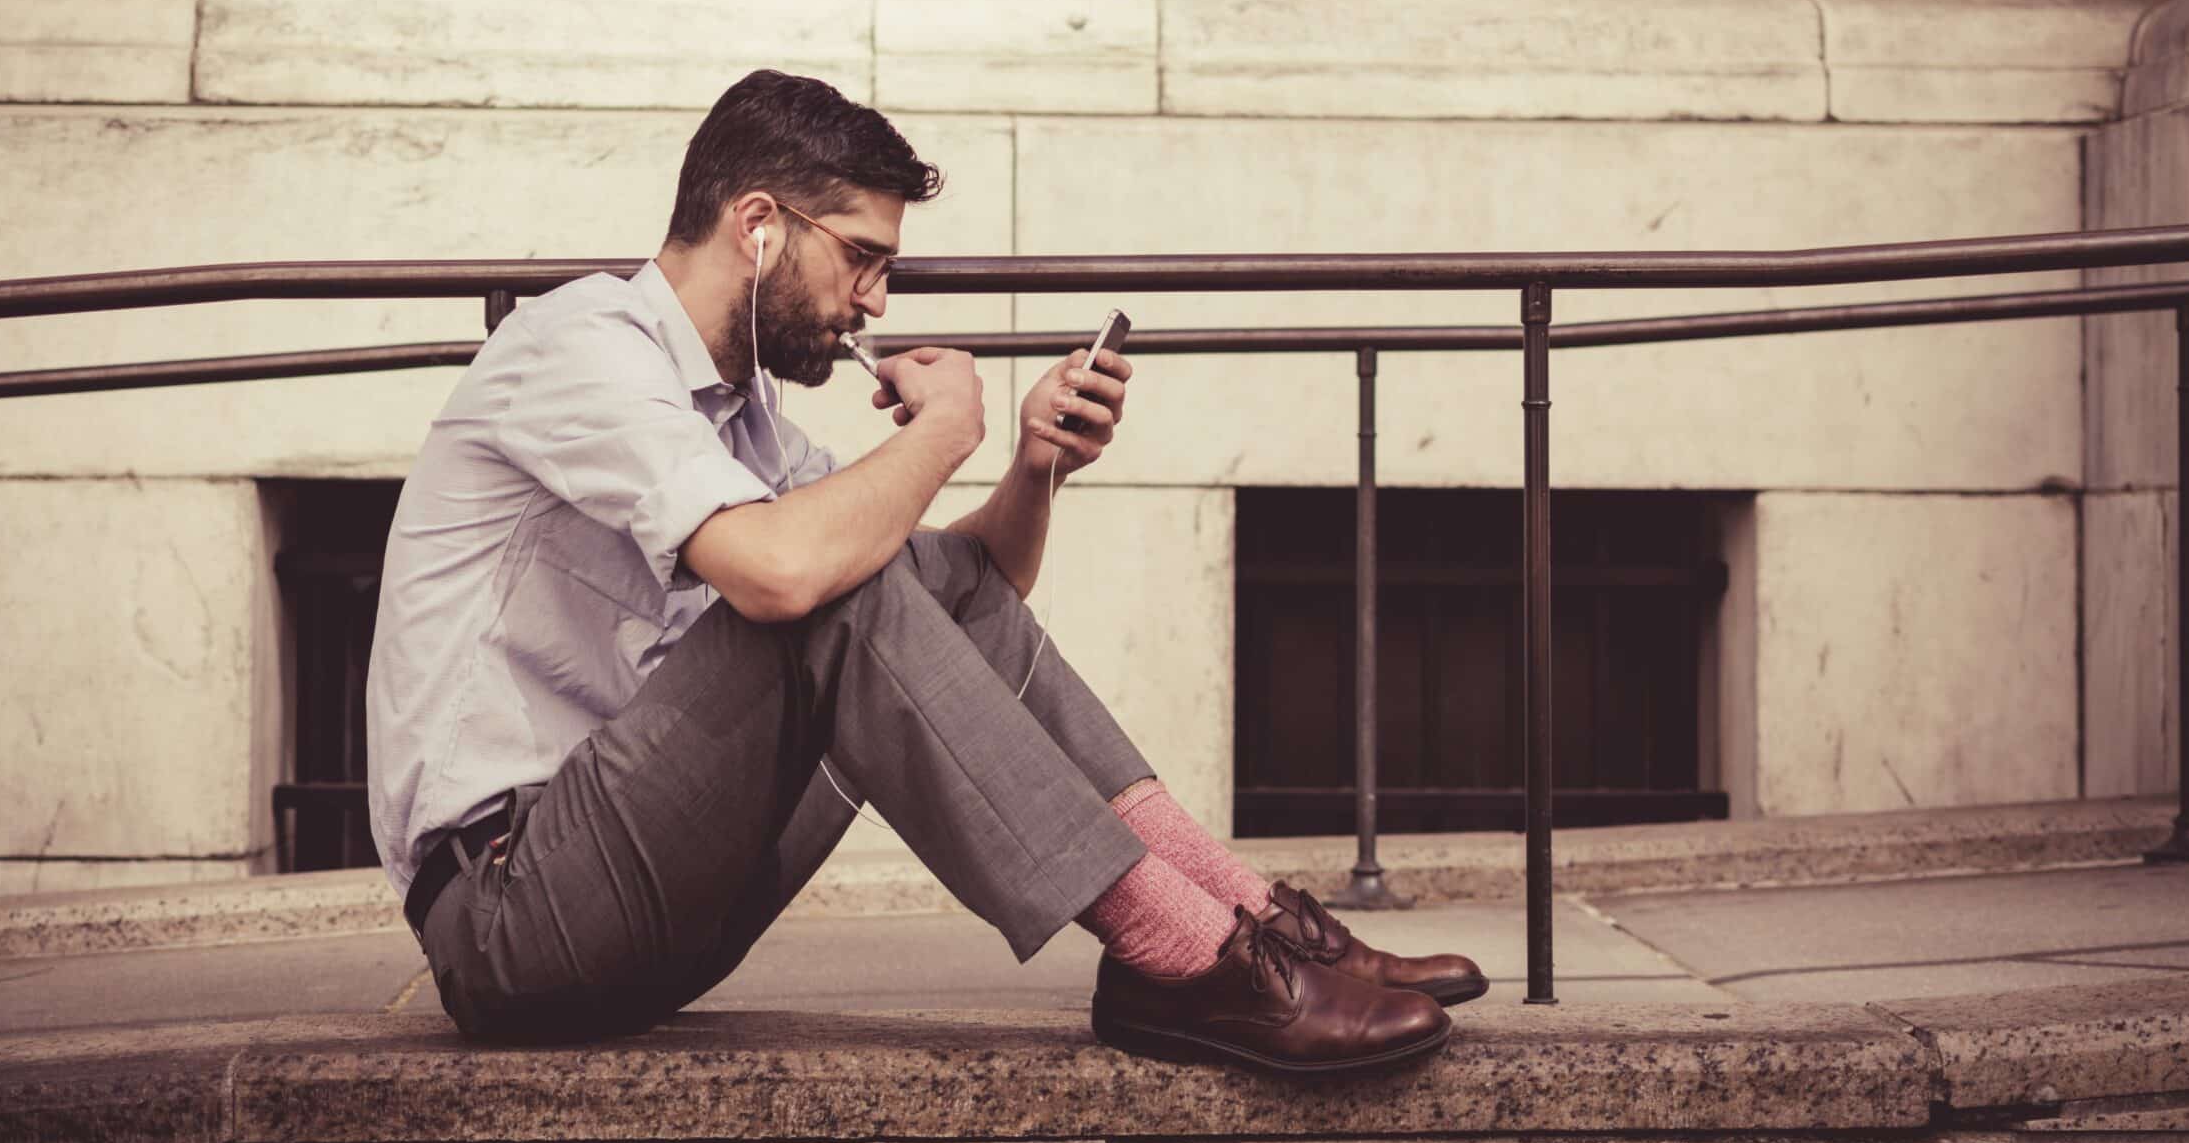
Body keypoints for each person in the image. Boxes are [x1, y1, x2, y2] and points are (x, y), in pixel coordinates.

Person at [366, 69, 1485, 1074]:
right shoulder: (579, 348)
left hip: (657, 904)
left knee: (880, 572)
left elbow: (956, 594)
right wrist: (939, 434)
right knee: (817, 582)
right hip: (513, 913)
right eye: (861, 256)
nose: (876, 302)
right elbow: (783, 578)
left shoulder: (743, 415)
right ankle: (1180, 958)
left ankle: (1247, 925)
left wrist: (1033, 465)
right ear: (757, 225)